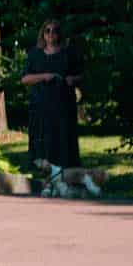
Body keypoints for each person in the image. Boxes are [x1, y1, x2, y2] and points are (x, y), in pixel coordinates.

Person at [22, 19, 83, 170]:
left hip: (63, 103)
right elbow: (25, 79)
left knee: (62, 135)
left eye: (54, 30)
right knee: (42, 135)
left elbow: (81, 75)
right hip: (41, 104)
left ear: (59, 34)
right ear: (43, 34)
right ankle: (42, 168)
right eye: (47, 30)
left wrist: (72, 79)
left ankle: (65, 168)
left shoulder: (68, 54)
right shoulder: (34, 54)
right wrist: (44, 76)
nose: (51, 34)